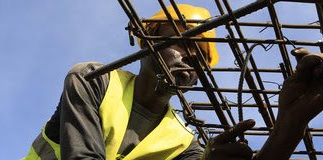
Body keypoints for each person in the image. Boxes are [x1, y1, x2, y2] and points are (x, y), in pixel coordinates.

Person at [23, 4, 323, 160]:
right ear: (146, 41)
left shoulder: (180, 142)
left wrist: (291, 123)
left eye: (199, 58)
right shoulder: (95, 81)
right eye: (179, 42)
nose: (188, 58)